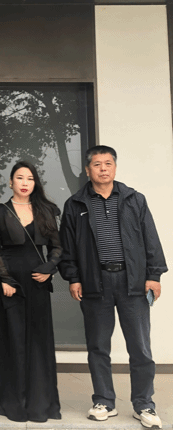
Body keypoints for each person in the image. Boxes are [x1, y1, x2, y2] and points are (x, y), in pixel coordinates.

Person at [59, 145, 167, 429]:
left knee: (140, 347)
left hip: (133, 282)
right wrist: (73, 277)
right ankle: (104, 401)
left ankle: (144, 404)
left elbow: (151, 238)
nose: (103, 169)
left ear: (115, 167)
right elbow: (67, 247)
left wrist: (154, 275)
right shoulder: (75, 204)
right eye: (97, 164)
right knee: (98, 346)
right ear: (88, 170)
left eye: (108, 163)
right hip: (95, 282)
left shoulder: (134, 199)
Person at [0, 161, 62, 422]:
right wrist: (4, 279)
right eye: (20, 177)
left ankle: (41, 403)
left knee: (39, 340)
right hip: (10, 282)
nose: (25, 183)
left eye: (30, 178)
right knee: (13, 339)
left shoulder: (46, 210)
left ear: (35, 183)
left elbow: (58, 247)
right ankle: (12, 401)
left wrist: (49, 268)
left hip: (39, 280)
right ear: (10, 182)